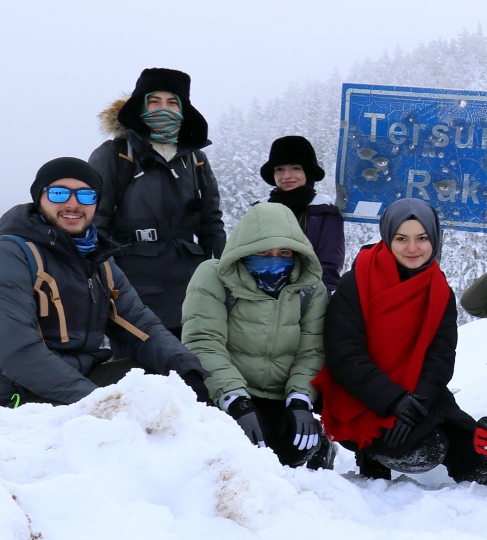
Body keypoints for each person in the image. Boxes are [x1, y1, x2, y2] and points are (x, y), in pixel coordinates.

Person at [1, 158, 209, 406]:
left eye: (86, 196)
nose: (73, 204)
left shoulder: (98, 260)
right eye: (59, 193)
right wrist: (99, 402)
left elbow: (142, 327)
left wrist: (188, 371)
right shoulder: (12, 254)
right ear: (39, 198)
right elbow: (16, 353)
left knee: (164, 382)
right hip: (21, 393)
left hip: (83, 379)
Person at [313, 198, 487, 484]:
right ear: (388, 238)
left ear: (434, 238)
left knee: (472, 442)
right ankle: (370, 454)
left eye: (422, 238)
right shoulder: (357, 282)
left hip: (418, 388)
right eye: (401, 238)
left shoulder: (438, 289)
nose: (412, 249)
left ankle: (478, 479)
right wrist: (393, 400)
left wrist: (416, 402)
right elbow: (344, 354)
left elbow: (441, 354)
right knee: (422, 445)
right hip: (361, 393)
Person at [181, 202, 331, 469]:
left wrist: (300, 399)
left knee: (290, 455)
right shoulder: (213, 277)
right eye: (263, 251)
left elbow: (312, 351)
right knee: (234, 456)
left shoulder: (310, 289)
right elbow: (203, 342)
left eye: (284, 252)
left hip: (282, 396)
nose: (274, 259)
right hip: (229, 391)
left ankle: (321, 447)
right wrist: (236, 401)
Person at [89, 67, 226, 334]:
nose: (164, 108)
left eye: (172, 102)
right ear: (140, 106)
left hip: (191, 288)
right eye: (154, 101)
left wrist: (223, 273)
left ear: (184, 109)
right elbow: (96, 223)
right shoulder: (116, 155)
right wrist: (106, 283)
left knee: (192, 369)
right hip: (133, 290)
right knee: (136, 372)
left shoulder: (195, 159)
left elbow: (211, 222)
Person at [260, 136, 344, 293]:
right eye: (279, 169)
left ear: (308, 171)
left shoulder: (323, 213)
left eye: (295, 168)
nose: (286, 176)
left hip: (306, 301)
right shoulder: (258, 211)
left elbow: (327, 268)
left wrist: (314, 305)